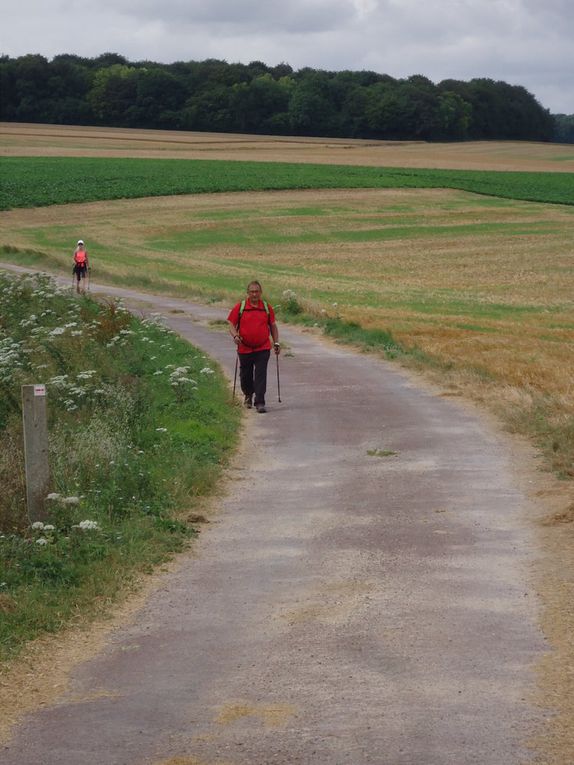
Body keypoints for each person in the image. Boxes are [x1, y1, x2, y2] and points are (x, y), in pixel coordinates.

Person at [228, 280, 280, 413]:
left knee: (261, 374)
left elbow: (273, 326)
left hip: (262, 347)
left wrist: (276, 342)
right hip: (244, 347)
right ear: (248, 293)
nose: (254, 294)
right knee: (245, 375)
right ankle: (248, 395)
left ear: (261, 292)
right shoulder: (240, 307)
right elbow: (231, 324)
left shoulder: (267, 308)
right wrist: (235, 336)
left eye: (257, 291)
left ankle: (260, 402)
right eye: (252, 292)